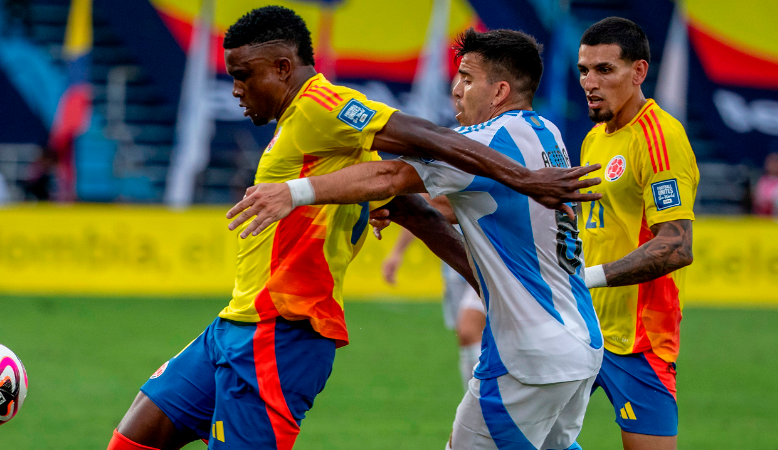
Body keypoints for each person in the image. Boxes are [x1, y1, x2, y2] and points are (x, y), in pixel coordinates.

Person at [105, 8, 598, 450]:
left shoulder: (322, 104)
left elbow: (417, 147)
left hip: (282, 330)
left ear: (282, 67)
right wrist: (485, 282)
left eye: (242, 76)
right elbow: (414, 210)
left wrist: (522, 180)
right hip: (235, 322)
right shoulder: (544, 132)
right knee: (133, 438)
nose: (236, 89)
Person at [574, 17, 699, 450]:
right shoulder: (594, 139)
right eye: (584, 70)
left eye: (604, 70)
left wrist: (588, 278)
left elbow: (676, 245)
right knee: (520, 437)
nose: (590, 82)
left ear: (639, 72)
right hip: (580, 327)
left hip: (640, 340)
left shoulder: (660, 138)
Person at [380, 198, 486, 390]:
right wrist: (397, 251)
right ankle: (476, 398)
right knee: (467, 340)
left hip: (489, 260)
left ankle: (487, 397)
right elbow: (426, 204)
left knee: (468, 331)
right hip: (455, 265)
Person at [752, 152, 778, 217]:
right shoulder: (763, 180)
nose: (773, 166)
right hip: (762, 217)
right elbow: (758, 199)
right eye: (771, 163)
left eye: (776, 163)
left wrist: (770, 203)